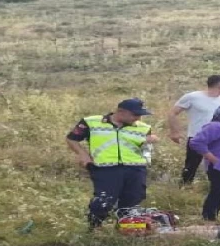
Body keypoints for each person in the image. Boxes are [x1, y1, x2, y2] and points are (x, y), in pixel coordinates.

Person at [66, 98, 158, 229]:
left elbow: (145, 148)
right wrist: (83, 155)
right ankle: (94, 229)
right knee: (103, 202)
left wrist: (150, 142)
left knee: (131, 202)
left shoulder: (143, 128)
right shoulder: (91, 122)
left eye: (140, 115)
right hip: (106, 169)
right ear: (121, 112)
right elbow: (72, 139)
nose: (138, 118)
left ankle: (127, 231)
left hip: (135, 169)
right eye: (135, 114)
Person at [167, 75, 220, 184]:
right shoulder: (192, 97)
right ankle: (185, 187)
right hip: (197, 137)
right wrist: (175, 132)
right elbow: (173, 113)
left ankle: (216, 186)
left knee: (219, 164)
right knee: (191, 165)